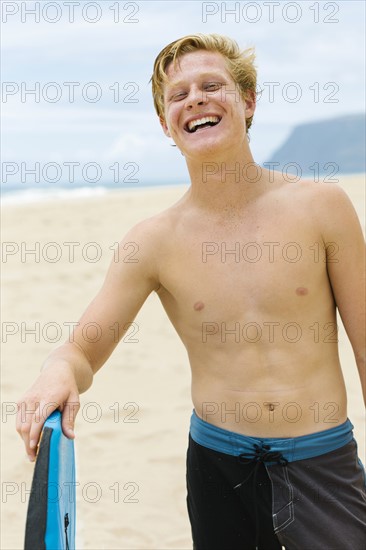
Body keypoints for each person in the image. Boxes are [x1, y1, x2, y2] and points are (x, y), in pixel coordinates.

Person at [17, 34, 365, 549]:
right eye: (177, 95)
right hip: (217, 466)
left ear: (247, 102)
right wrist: (58, 369)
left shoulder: (322, 209)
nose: (195, 99)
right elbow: (82, 349)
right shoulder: (154, 241)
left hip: (320, 457)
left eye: (211, 85)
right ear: (165, 125)